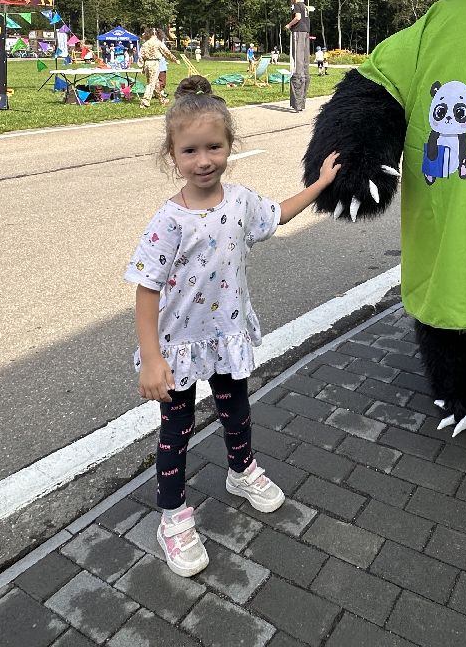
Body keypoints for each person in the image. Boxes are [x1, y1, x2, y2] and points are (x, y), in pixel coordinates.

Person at [126, 85, 341, 577]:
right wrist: (152, 356)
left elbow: (277, 214)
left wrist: (321, 184)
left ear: (230, 147)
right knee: (175, 433)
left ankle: (242, 472)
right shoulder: (169, 220)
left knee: (236, 412)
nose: (204, 160)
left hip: (227, 337)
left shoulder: (241, 202)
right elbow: (145, 289)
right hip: (178, 347)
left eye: (214, 147)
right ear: (172, 155)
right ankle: (173, 516)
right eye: (190, 150)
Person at [282, 0, 311, 111]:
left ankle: (297, 104)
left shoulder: (297, 6)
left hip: (298, 33)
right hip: (306, 33)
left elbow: (297, 17)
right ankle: (301, 103)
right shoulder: (305, 7)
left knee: (297, 63)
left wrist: (289, 25)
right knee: (304, 65)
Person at [139, 27, 173, 108]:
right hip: (154, 63)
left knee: (155, 83)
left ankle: (162, 100)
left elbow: (141, 56)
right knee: (151, 83)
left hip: (147, 63)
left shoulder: (145, 44)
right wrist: (174, 59)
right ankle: (145, 101)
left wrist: (142, 66)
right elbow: (167, 52)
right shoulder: (158, 43)